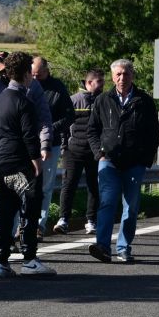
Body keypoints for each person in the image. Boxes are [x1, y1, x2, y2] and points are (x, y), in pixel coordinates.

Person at [0, 51, 53, 253]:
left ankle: (7, 240)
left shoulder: (29, 89)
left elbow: (43, 118)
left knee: (12, 199)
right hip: (3, 152)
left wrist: (44, 144)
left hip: (10, 153)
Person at [86, 59, 159, 264]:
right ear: (112, 77)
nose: (122, 78)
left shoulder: (144, 101)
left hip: (134, 163)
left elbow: (154, 134)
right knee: (107, 202)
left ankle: (123, 247)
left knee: (131, 207)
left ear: (132, 75)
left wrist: (145, 159)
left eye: (125, 74)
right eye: (118, 74)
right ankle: (102, 246)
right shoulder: (102, 100)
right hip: (109, 160)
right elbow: (92, 130)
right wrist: (99, 154)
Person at [53, 69, 103, 236]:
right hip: (72, 151)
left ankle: (91, 221)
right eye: (99, 81)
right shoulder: (73, 100)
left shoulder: (103, 101)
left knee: (94, 187)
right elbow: (63, 126)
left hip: (94, 152)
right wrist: (64, 147)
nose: (103, 85)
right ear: (89, 83)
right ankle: (63, 220)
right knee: (68, 185)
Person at [31, 56, 74, 235]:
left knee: (45, 186)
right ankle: (22, 223)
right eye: (32, 74)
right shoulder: (25, 85)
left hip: (51, 143)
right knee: (24, 185)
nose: (35, 78)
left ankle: (39, 224)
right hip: (27, 142)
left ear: (46, 71)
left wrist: (49, 130)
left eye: (38, 75)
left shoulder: (57, 88)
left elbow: (69, 115)